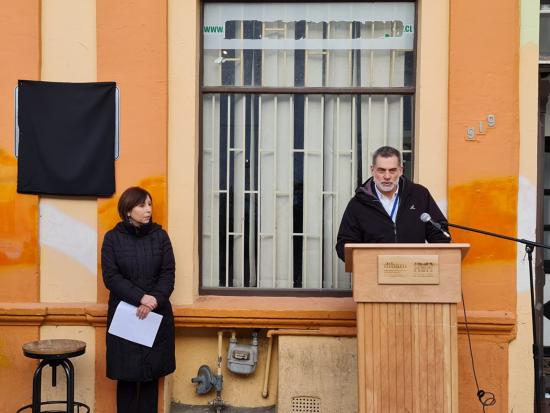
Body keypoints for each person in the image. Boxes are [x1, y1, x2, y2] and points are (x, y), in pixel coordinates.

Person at [101, 186, 176, 413]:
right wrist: (141, 297)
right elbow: (111, 277)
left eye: (150, 204)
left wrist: (154, 300)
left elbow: (168, 273)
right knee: (125, 376)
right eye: (142, 205)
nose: (148, 210)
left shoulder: (160, 237)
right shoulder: (112, 239)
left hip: (155, 313)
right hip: (126, 316)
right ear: (127, 210)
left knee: (150, 376)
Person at [335, 146, 450, 261]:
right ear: (372, 170)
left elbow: (440, 234)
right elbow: (344, 245)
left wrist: (429, 261)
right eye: (381, 170)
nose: (387, 176)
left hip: (414, 272)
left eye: (392, 170)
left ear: (400, 170)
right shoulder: (358, 203)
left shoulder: (419, 195)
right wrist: (366, 262)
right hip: (373, 273)